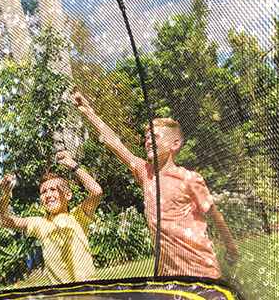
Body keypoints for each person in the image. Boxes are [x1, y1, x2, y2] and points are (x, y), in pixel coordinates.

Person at [71, 91, 239, 279]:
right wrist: (87, 111)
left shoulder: (189, 179)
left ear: (175, 144)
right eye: (147, 138)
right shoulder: (146, 173)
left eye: (155, 137)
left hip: (200, 272)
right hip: (167, 276)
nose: (148, 141)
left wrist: (231, 248)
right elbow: (114, 143)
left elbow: (215, 217)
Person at [0, 149, 102, 284]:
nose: (48, 195)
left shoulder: (79, 215)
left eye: (53, 189)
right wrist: (5, 194)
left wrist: (72, 165)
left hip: (88, 290)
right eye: (43, 192)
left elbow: (96, 191)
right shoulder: (40, 223)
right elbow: (2, 220)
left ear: (68, 195)